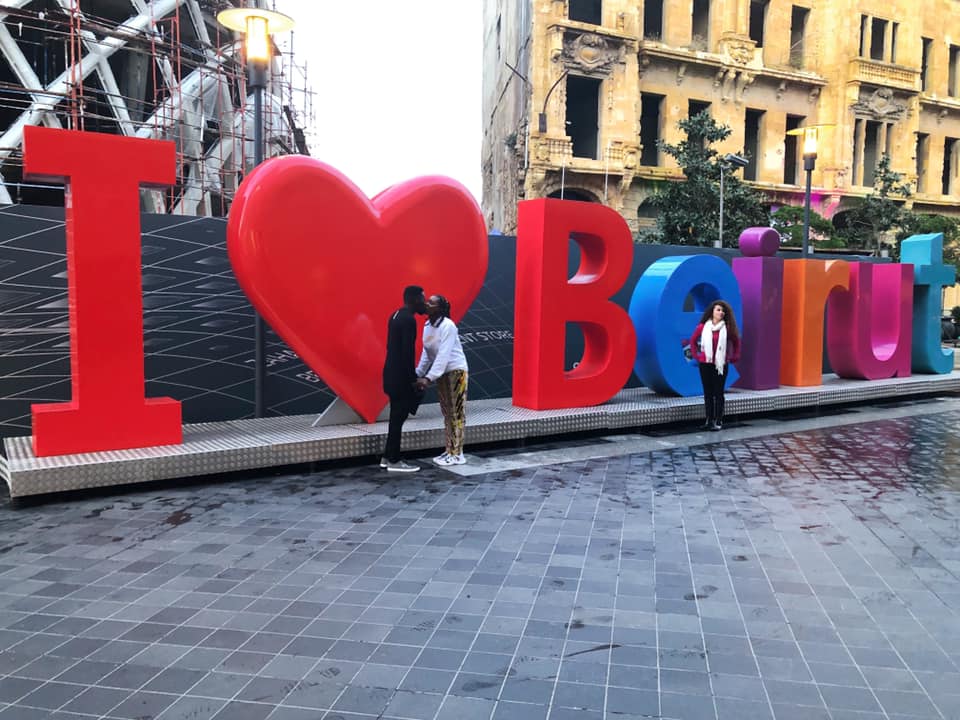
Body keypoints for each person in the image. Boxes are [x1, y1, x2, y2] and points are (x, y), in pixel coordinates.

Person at [415, 295, 469, 466]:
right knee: (447, 413)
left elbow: (443, 355)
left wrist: (428, 377)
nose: (427, 304)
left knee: (456, 412)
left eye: (431, 303)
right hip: (442, 374)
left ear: (440, 308)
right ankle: (450, 449)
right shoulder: (427, 326)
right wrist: (418, 373)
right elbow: (427, 353)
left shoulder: (448, 326)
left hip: (456, 371)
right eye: (427, 301)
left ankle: (457, 454)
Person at [381, 285, 426, 472]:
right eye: (422, 299)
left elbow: (391, 347)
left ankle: (387, 457)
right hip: (401, 377)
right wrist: (413, 379)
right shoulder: (408, 320)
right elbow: (407, 352)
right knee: (398, 419)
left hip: (391, 373)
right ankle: (394, 460)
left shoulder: (395, 315)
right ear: (415, 299)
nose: (424, 302)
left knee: (395, 418)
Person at [689, 300, 740, 431]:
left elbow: (736, 342)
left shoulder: (727, 329)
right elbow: (693, 341)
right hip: (705, 364)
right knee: (708, 393)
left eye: (723, 311)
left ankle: (718, 420)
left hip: (720, 364)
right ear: (712, 311)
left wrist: (734, 356)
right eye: (718, 310)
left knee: (718, 393)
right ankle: (708, 420)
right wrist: (697, 356)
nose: (721, 312)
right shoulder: (703, 327)